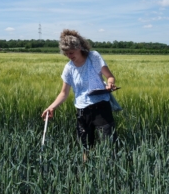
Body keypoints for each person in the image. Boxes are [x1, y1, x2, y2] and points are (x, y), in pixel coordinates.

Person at [41, 29, 118, 161]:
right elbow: (64, 93)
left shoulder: (93, 57)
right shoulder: (69, 68)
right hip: (82, 111)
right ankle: (86, 173)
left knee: (109, 144)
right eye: (66, 53)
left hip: (101, 108)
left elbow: (109, 77)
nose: (69, 56)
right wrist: (51, 107)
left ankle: (110, 171)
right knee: (85, 147)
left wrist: (110, 84)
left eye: (71, 52)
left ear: (80, 47)